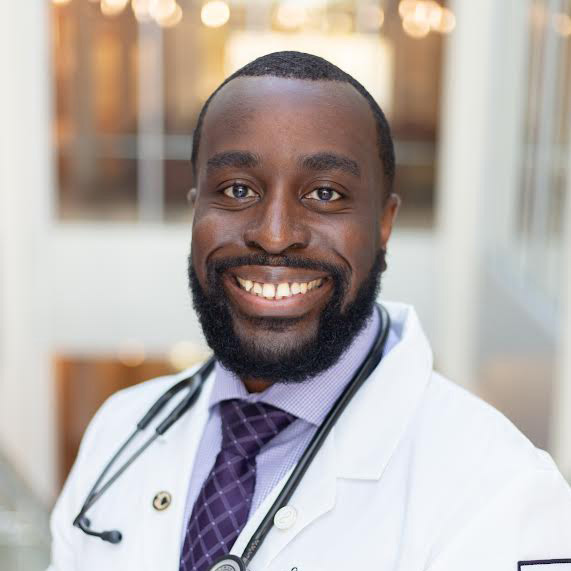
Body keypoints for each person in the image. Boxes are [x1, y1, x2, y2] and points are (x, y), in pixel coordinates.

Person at [48, 51, 571, 571]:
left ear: (383, 224)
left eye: (325, 193)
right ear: (195, 211)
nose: (275, 235)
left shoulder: (501, 490)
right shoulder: (121, 430)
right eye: (237, 190)